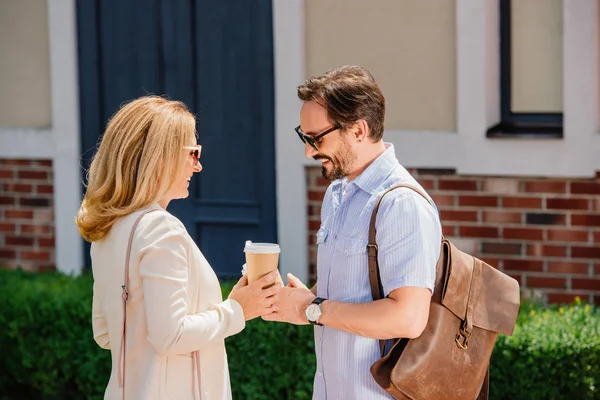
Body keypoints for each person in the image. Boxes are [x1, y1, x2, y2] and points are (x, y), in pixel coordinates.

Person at [76, 95, 279, 400]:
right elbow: (170, 336)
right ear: (161, 156)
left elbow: (105, 333)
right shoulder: (162, 229)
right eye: (193, 153)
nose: (198, 166)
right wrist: (238, 309)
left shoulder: (108, 228)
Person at [263, 65, 442, 399]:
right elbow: (355, 290)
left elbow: (408, 316)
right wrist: (301, 299)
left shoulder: (400, 203)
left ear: (358, 130)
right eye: (304, 137)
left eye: (316, 138)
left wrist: (311, 308)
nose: (308, 150)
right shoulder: (338, 194)